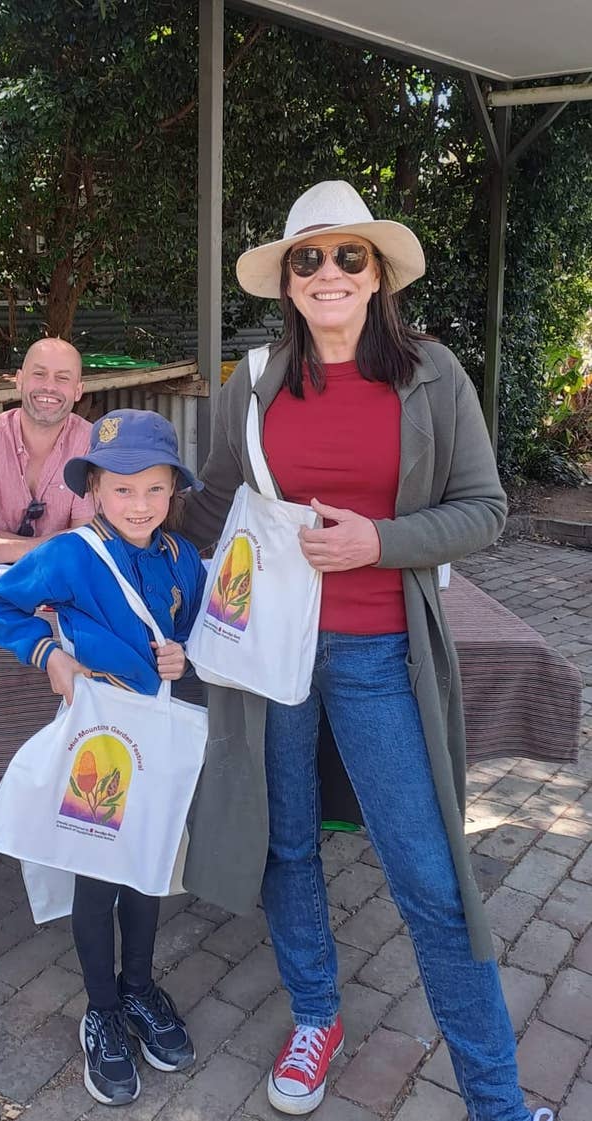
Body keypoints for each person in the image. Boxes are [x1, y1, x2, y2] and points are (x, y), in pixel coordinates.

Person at [180, 182, 553, 1121]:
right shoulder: (253, 380)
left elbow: (485, 510)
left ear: (378, 272)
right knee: (286, 845)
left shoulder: (433, 374)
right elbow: (214, 504)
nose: (329, 272)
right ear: (287, 282)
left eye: (349, 255)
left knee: (430, 878)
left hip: (381, 655)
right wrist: (108, 509)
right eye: (308, 258)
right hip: (271, 658)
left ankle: (496, 1102)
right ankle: (316, 1015)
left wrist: (377, 542)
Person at [0, 408, 206, 1106]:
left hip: (158, 741)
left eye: (155, 489)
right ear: (95, 489)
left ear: (173, 491)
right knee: (98, 873)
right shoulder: (70, 554)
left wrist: (186, 654)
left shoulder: (183, 559)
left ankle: (138, 989)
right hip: (99, 744)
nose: (139, 504)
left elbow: (202, 630)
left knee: (146, 866)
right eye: (122, 489)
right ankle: (103, 1008)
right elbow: (2, 603)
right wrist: (48, 654)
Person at [0, 337, 96, 875]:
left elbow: (88, 546)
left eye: (62, 378)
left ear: (79, 388)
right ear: (19, 379)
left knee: (86, 660)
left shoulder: (91, 442)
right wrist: (54, 546)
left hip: (67, 597)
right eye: (39, 374)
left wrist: (1, 546)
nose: (49, 388)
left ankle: (62, 793)